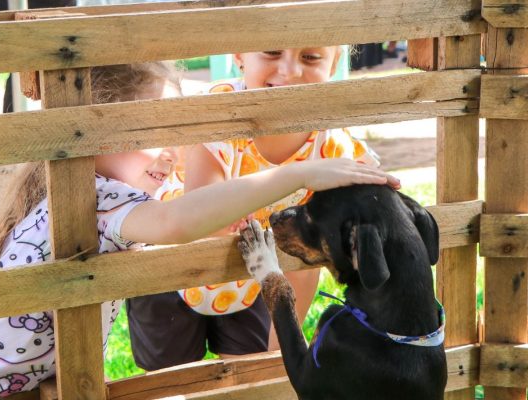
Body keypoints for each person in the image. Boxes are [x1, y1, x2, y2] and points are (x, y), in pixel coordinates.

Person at [0, 61, 398, 400]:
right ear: (95, 128)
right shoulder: (94, 197)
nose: (172, 152)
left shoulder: (81, 192)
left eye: (174, 136)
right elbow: (178, 220)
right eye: (152, 135)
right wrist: (299, 175)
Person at [126, 47, 388, 371]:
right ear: (239, 54)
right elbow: (203, 216)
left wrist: (279, 350)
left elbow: (307, 258)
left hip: (252, 280)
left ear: (335, 63)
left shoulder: (330, 141)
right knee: (170, 383)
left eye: (311, 57)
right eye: (272, 51)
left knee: (253, 378)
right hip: (171, 272)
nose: (290, 70)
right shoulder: (216, 112)